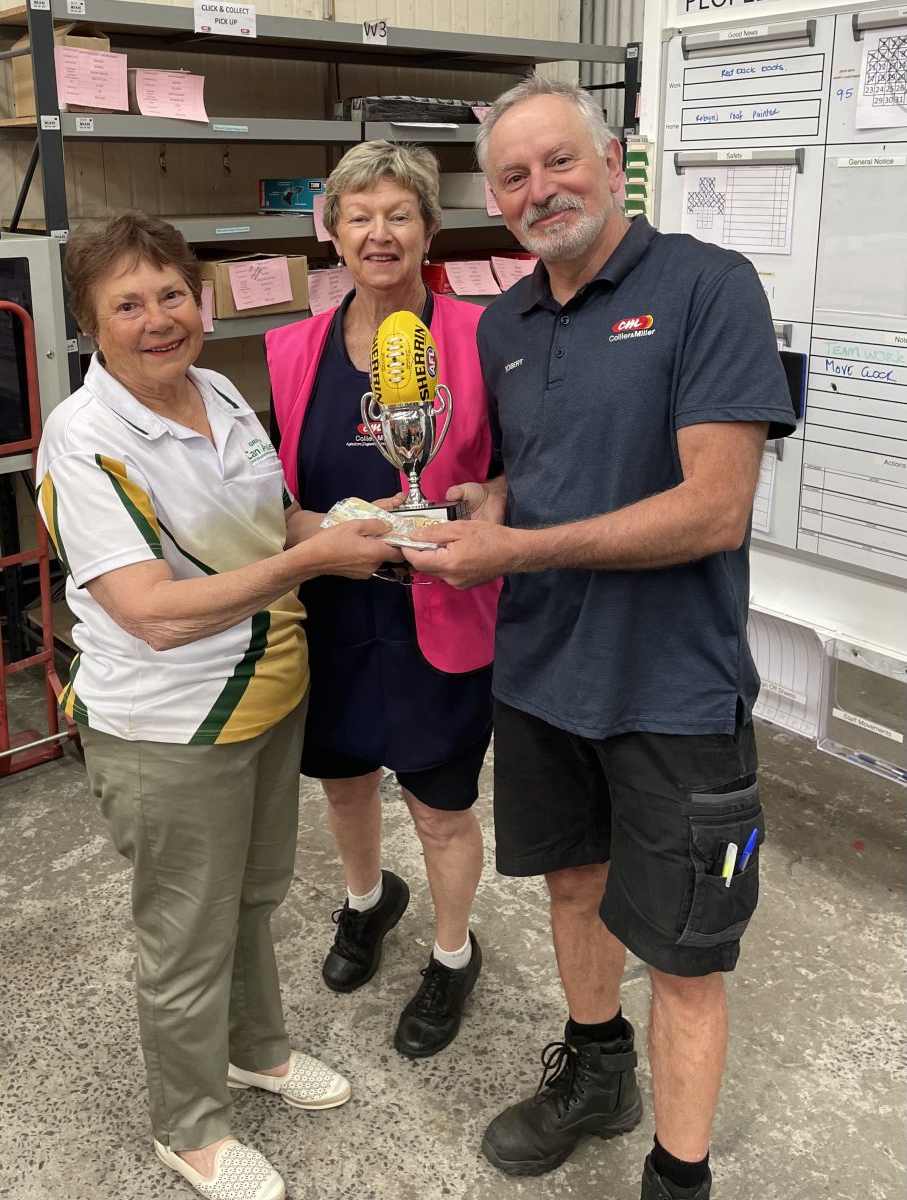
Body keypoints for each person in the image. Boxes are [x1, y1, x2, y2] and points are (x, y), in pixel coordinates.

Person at [401, 77, 796, 1200]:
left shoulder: (709, 286)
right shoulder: (507, 323)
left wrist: (514, 553)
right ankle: (597, 1075)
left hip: (676, 693)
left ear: (614, 161)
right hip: (543, 680)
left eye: (559, 162)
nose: (539, 190)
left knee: (684, 951)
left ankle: (679, 1176)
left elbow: (714, 506)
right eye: (514, 176)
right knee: (574, 890)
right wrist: (492, 501)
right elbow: (553, 468)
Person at [36, 211, 395, 1200]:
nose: (158, 320)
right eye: (128, 304)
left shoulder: (222, 391)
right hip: (170, 726)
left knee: (252, 898)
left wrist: (358, 523)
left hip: (270, 697)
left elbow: (269, 520)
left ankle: (257, 1052)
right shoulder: (87, 438)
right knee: (185, 932)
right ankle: (188, 1127)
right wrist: (314, 559)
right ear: (91, 323)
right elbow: (148, 613)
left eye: (171, 295)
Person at [265, 141, 501, 1058]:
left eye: (399, 214)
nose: (378, 233)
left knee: (440, 805)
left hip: (438, 610)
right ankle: (367, 904)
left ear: (429, 229)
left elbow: (512, 477)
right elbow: (271, 499)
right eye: (359, 215)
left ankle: (451, 955)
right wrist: (318, 534)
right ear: (332, 231)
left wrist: (487, 508)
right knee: (345, 780)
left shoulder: (482, 338)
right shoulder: (291, 350)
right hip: (331, 609)